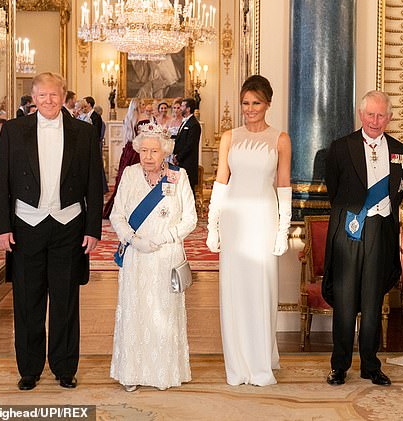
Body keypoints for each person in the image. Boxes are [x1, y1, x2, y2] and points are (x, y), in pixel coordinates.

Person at [0, 72, 103, 391]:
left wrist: (93, 229)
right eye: (42, 96)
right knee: (27, 300)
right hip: (26, 226)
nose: (48, 101)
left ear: (64, 96)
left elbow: (95, 184)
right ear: (33, 98)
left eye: (54, 95)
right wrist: (1, 227)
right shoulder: (12, 131)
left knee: (66, 300)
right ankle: (29, 368)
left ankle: (65, 367)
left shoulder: (83, 131)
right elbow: (0, 183)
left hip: (69, 226)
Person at [206, 75, 292, 386]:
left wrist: (283, 230)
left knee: (261, 289)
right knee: (235, 291)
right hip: (234, 220)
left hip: (263, 219)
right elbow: (220, 182)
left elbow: (284, 186)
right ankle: (239, 364)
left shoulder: (280, 139)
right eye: (245, 103)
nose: (250, 108)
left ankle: (260, 362)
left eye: (256, 103)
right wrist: (213, 226)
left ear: (268, 103)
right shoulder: (229, 136)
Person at [321, 90, 403, 387]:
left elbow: (399, 191)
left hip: (381, 232)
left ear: (389, 117)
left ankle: (371, 365)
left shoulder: (402, 151)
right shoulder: (340, 147)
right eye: (370, 114)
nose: (375, 120)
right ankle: (340, 365)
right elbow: (334, 191)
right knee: (346, 303)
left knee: (372, 303)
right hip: (350, 231)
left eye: (381, 115)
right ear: (361, 115)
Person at [109, 123, 197, 391]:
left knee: (164, 314)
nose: (148, 156)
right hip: (137, 257)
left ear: (165, 152)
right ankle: (132, 373)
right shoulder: (130, 174)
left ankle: (162, 373)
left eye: (154, 151)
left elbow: (190, 219)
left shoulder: (177, 176)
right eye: (143, 150)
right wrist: (134, 240)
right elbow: (117, 215)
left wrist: (163, 238)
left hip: (166, 256)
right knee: (136, 313)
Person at [103, 99, 142, 219]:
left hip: (128, 150)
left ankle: (119, 209)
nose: (144, 106)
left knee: (124, 179)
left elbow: (127, 137)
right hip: (137, 151)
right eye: (142, 104)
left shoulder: (128, 118)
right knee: (136, 180)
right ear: (138, 106)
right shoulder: (141, 119)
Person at [173, 98, 201, 195]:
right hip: (182, 162)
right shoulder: (185, 122)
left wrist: (178, 157)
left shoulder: (194, 124)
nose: (180, 108)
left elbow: (190, 145)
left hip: (188, 163)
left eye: (183, 106)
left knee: (188, 191)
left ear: (188, 109)